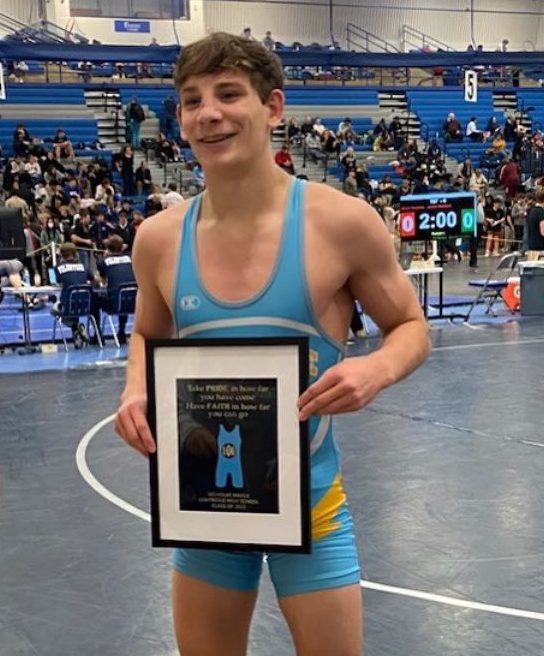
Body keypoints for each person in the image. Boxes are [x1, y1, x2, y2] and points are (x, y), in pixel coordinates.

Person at [114, 32, 430, 656]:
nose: (209, 113)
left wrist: (376, 372)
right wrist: (134, 387)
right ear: (178, 118)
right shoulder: (157, 238)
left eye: (229, 94)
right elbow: (149, 334)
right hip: (205, 505)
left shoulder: (340, 222)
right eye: (191, 100)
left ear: (273, 107)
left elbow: (411, 328)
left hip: (311, 500)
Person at [92, 234, 136, 345]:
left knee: (94, 300)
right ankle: (121, 331)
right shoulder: (131, 258)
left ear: (107, 248)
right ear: (122, 247)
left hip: (115, 304)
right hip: (134, 302)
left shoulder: (103, 262)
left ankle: (98, 335)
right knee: (124, 294)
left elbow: (103, 282)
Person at [50, 242, 93, 349]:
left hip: (68, 306)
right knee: (74, 306)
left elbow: (58, 281)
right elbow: (92, 278)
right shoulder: (83, 266)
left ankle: (76, 328)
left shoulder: (58, 267)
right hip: (85, 305)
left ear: (61, 254)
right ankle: (78, 331)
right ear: (75, 253)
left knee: (54, 311)